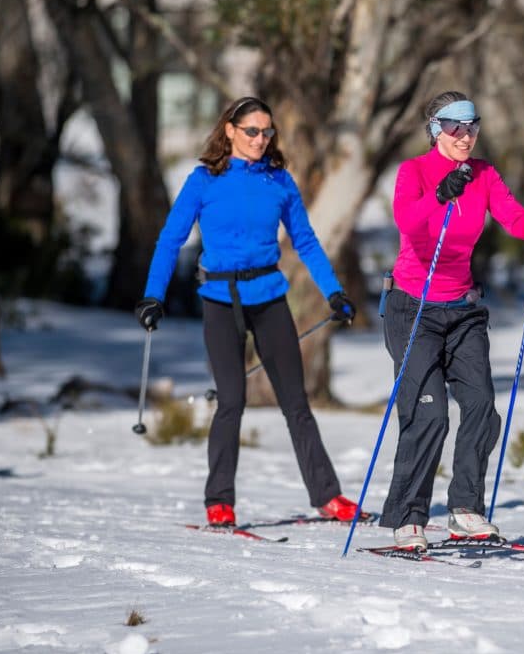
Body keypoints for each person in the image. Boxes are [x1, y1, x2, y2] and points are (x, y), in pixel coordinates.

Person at [134, 96, 362, 527]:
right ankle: (219, 501)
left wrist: (334, 292)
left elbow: (306, 241)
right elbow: (170, 240)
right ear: (230, 131)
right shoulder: (204, 181)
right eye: (252, 131)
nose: (261, 139)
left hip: (270, 298)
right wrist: (153, 296)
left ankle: (328, 497)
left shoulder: (279, 181)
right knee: (232, 401)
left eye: (267, 132)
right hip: (221, 301)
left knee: (296, 403)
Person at [380, 91, 524, 550]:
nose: (465, 136)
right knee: (429, 415)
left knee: (482, 405)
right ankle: (408, 517)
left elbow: (520, 226)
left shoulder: (483, 174)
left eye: (472, 126)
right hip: (413, 308)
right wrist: (440, 196)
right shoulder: (414, 172)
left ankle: (465, 509)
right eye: (454, 127)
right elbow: (407, 222)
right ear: (435, 130)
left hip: (462, 311)